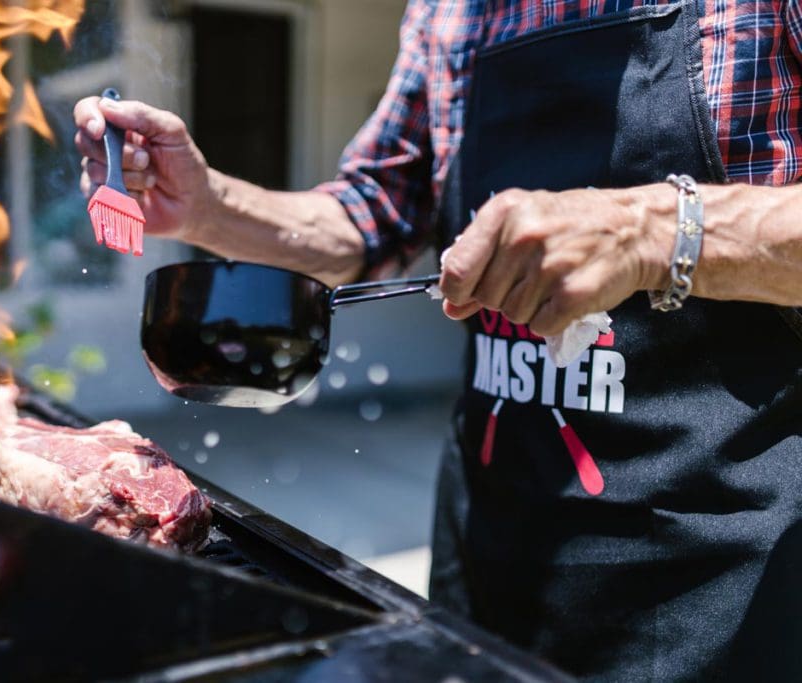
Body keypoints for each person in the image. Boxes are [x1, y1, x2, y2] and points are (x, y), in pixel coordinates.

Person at [74, 1, 802, 679]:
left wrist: (660, 230)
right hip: (489, 545)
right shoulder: (454, 9)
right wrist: (206, 204)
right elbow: (373, 216)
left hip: (725, 571)